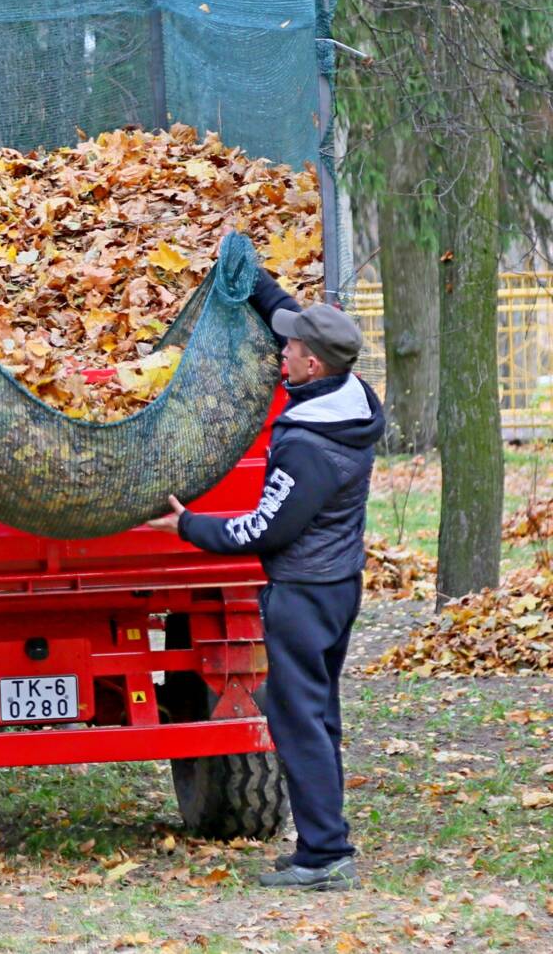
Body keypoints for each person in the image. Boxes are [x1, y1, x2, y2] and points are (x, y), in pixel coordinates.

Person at [148, 271, 384, 891]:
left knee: (297, 718)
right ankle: (322, 842)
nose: (280, 353)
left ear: (310, 363)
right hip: (337, 585)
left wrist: (188, 525)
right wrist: (256, 281)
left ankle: (325, 854)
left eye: (289, 350)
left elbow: (263, 530)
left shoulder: (310, 445)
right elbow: (294, 321)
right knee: (318, 715)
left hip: (304, 593)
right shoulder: (349, 397)